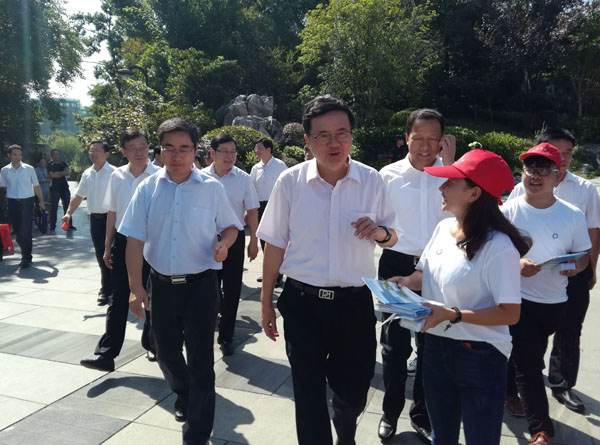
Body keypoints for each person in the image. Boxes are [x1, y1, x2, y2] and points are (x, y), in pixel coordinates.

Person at [258, 95, 398, 445]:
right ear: (308, 140)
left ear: (351, 135)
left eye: (342, 133)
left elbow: (393, 235)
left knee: (353, 391)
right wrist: (265, 302)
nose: (334, 143)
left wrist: (380, 233)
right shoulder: (289, 182)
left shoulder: (372, 180)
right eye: (323, 135)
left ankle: (345, 428)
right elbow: (274, 244)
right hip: (302, 303)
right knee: (307, 394)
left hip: (354, 304)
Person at [389, 149, 529, 444]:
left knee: (481, 438)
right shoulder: (443, 228)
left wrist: (453, 315)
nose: (441, 187)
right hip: (435, 347)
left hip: (480, 355)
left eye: (451, 182)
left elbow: (510, 313)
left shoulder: (499, 246)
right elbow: (425, 273)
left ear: (474, 194)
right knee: (442, 436)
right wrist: (406, 282)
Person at [123, 117, 242, 444]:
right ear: (160, 150)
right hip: (160, 286)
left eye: (184, 148)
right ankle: (183, 392)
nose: (176, 155)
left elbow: (231, 227)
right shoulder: (147, 188)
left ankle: (197, 432)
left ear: (195, 150)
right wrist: (135, 288)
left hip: (201, 286)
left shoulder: (212, 188)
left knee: (202, 359)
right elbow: (133, 240)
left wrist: (224, 244)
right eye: (169, 148)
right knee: (165, 352)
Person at [502, 143, 591, 445]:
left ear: (557, 175)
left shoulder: (572, 215)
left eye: (543, 169)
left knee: (527, 354)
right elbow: (491, 254)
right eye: (530, 168)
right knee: (530, 364)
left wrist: (576, 266)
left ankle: (507, 391)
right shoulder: (508, 211)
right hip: (518, 299)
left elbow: (582, 255)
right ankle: (541, 430)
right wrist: (516, 264)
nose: (535, 175)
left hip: (555, 301)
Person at [377, 108, 456, 443]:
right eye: (418, 138)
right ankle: (390, 411)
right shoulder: (387, 176)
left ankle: (422, 413)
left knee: (431, 345)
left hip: (439, 267)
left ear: (443, 141)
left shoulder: (454, 174)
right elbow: (376, 222)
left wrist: (452, 167)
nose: (425, 146)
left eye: (433, 139)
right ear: (406, 138)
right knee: (393, 346)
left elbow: (469, 213)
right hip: (396, 265)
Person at [79, 130, 159, 372]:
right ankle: (107, 354)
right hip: (123, 242)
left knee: (151, 295)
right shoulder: (117, 176)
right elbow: (112, 212)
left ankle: (153, 344)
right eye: (133, 148)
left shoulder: (159, 176)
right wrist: (108, 245)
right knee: (118, 297)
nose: (139, 152)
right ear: (123, 151)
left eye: (143, 147)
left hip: (152, 242)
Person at [202, 134, 260, 356]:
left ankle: (226, 336)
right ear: (212, 153)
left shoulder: (243, 179)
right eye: (224, 151)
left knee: (233, 287)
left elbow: (252, 211)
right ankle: (210, 324)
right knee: (210, 288)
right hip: (206, 240)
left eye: (233, 152)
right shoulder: (200, 177)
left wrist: (253, 241)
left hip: (234, 240)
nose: (229, 156)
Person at [62, 141, 115, 305]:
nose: (93, 153)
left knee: (114, 254)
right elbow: (78, 195)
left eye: (97, 150)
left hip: (113, 219)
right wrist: (68, 213)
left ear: (106, 154)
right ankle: (106, 289)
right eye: (91, 150)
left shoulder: (115, 173)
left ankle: (117, 288)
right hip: (96, 219)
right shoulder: (87, 173)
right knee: (101, 254)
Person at [0, 145, 46, 268]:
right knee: (18, 233)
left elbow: (36, 186)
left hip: (27, 202)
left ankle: (26, 256)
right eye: (14, 154)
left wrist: (41, 202)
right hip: (12, 203)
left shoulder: (29, 169)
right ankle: (26, 253)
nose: (17, 157)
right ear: (9, 155)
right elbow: (4, 187)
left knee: (26, 231)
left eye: (19, 155)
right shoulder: (4, 170)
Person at [250, 137, 287, 284]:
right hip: (260, 206)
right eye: (256, 148)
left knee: (275, 241)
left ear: (268, 149)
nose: (256, 151)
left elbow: (286, 187)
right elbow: (251, 188)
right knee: (263, 239)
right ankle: (268, 272)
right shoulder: (255, 168)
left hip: (276, 206)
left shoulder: (280, 165)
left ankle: (278, 273)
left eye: (259, 148)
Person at [48, 148, 75, 233]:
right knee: (53, 208)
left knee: (67, 207)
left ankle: (69, 225)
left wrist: (57, 173)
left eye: (57, 154)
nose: (56, 156)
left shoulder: (63, 163)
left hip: (65, 189)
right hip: (54, 190)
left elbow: (67, 172)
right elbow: (52, 175)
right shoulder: (50, 165)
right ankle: (52, 227)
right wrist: (62, 173)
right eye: (54, 154)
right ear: (52, 156)